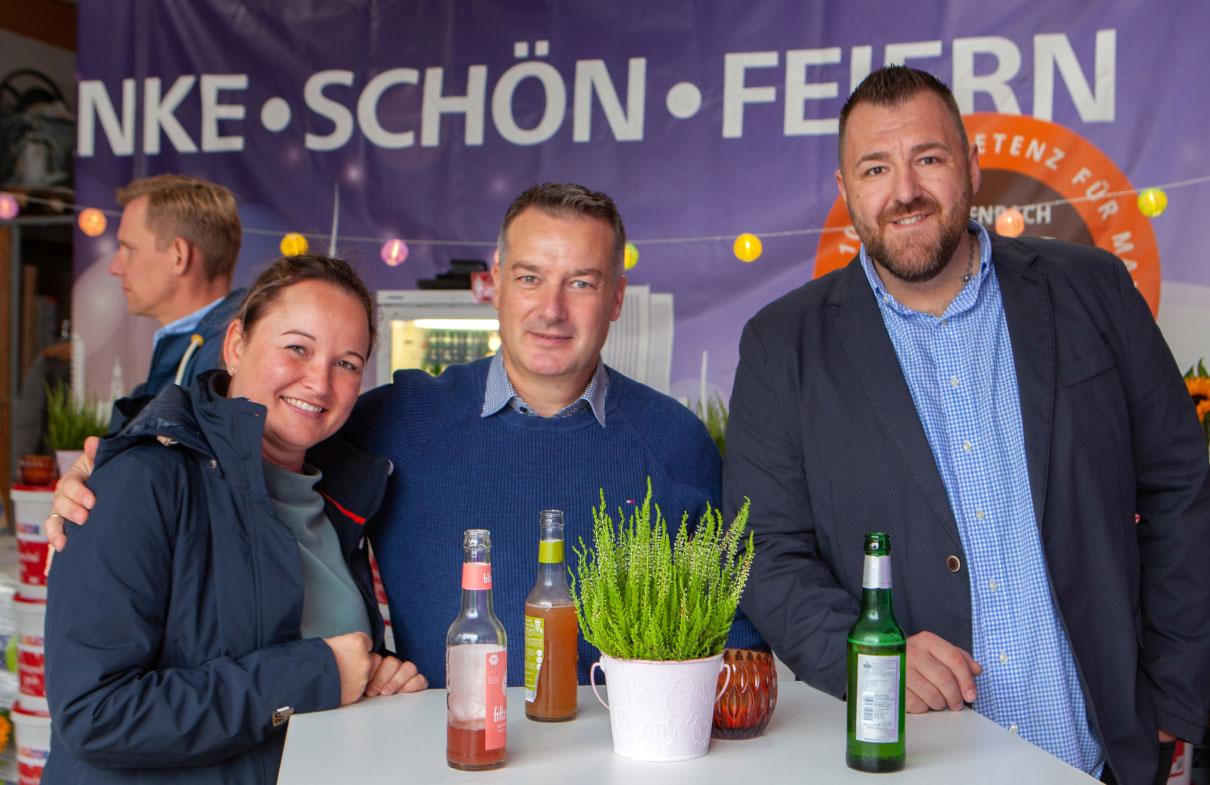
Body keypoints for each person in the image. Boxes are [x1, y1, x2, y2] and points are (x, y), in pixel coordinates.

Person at [46, 183, 757, 692]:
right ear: (494, 286)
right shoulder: (395, 421)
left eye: (582, 283)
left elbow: (736, 639)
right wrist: (112, 469)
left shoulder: (676, 441)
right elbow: (251, 439)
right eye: (530, 277)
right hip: (442, 759)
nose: (550, 309)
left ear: (617, 298)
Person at [723, 65, 1210, 785]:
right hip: (917, 763)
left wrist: (1175, 698)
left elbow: (1180, 488)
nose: (905, 190)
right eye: (876, 168)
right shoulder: (782, 346)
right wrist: (867, 654)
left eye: (928, 158)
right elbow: (764, 549)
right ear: (846, 191)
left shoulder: (1094, 288)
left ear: (972, 167)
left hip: (1107, 754)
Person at [43, 255, 427, 784]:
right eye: (297, 348)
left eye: (347, 363)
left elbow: (322, 658)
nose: (319, 382)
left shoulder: (337, 498)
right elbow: (95, 713)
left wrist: (377, 676)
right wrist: (315, 676)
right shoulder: (143, 479)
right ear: (236, 345)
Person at [111, 173, 246, 396]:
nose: (115, 268)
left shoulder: (224, 361)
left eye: (129, 249)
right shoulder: (210, 349)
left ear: (179, 256)